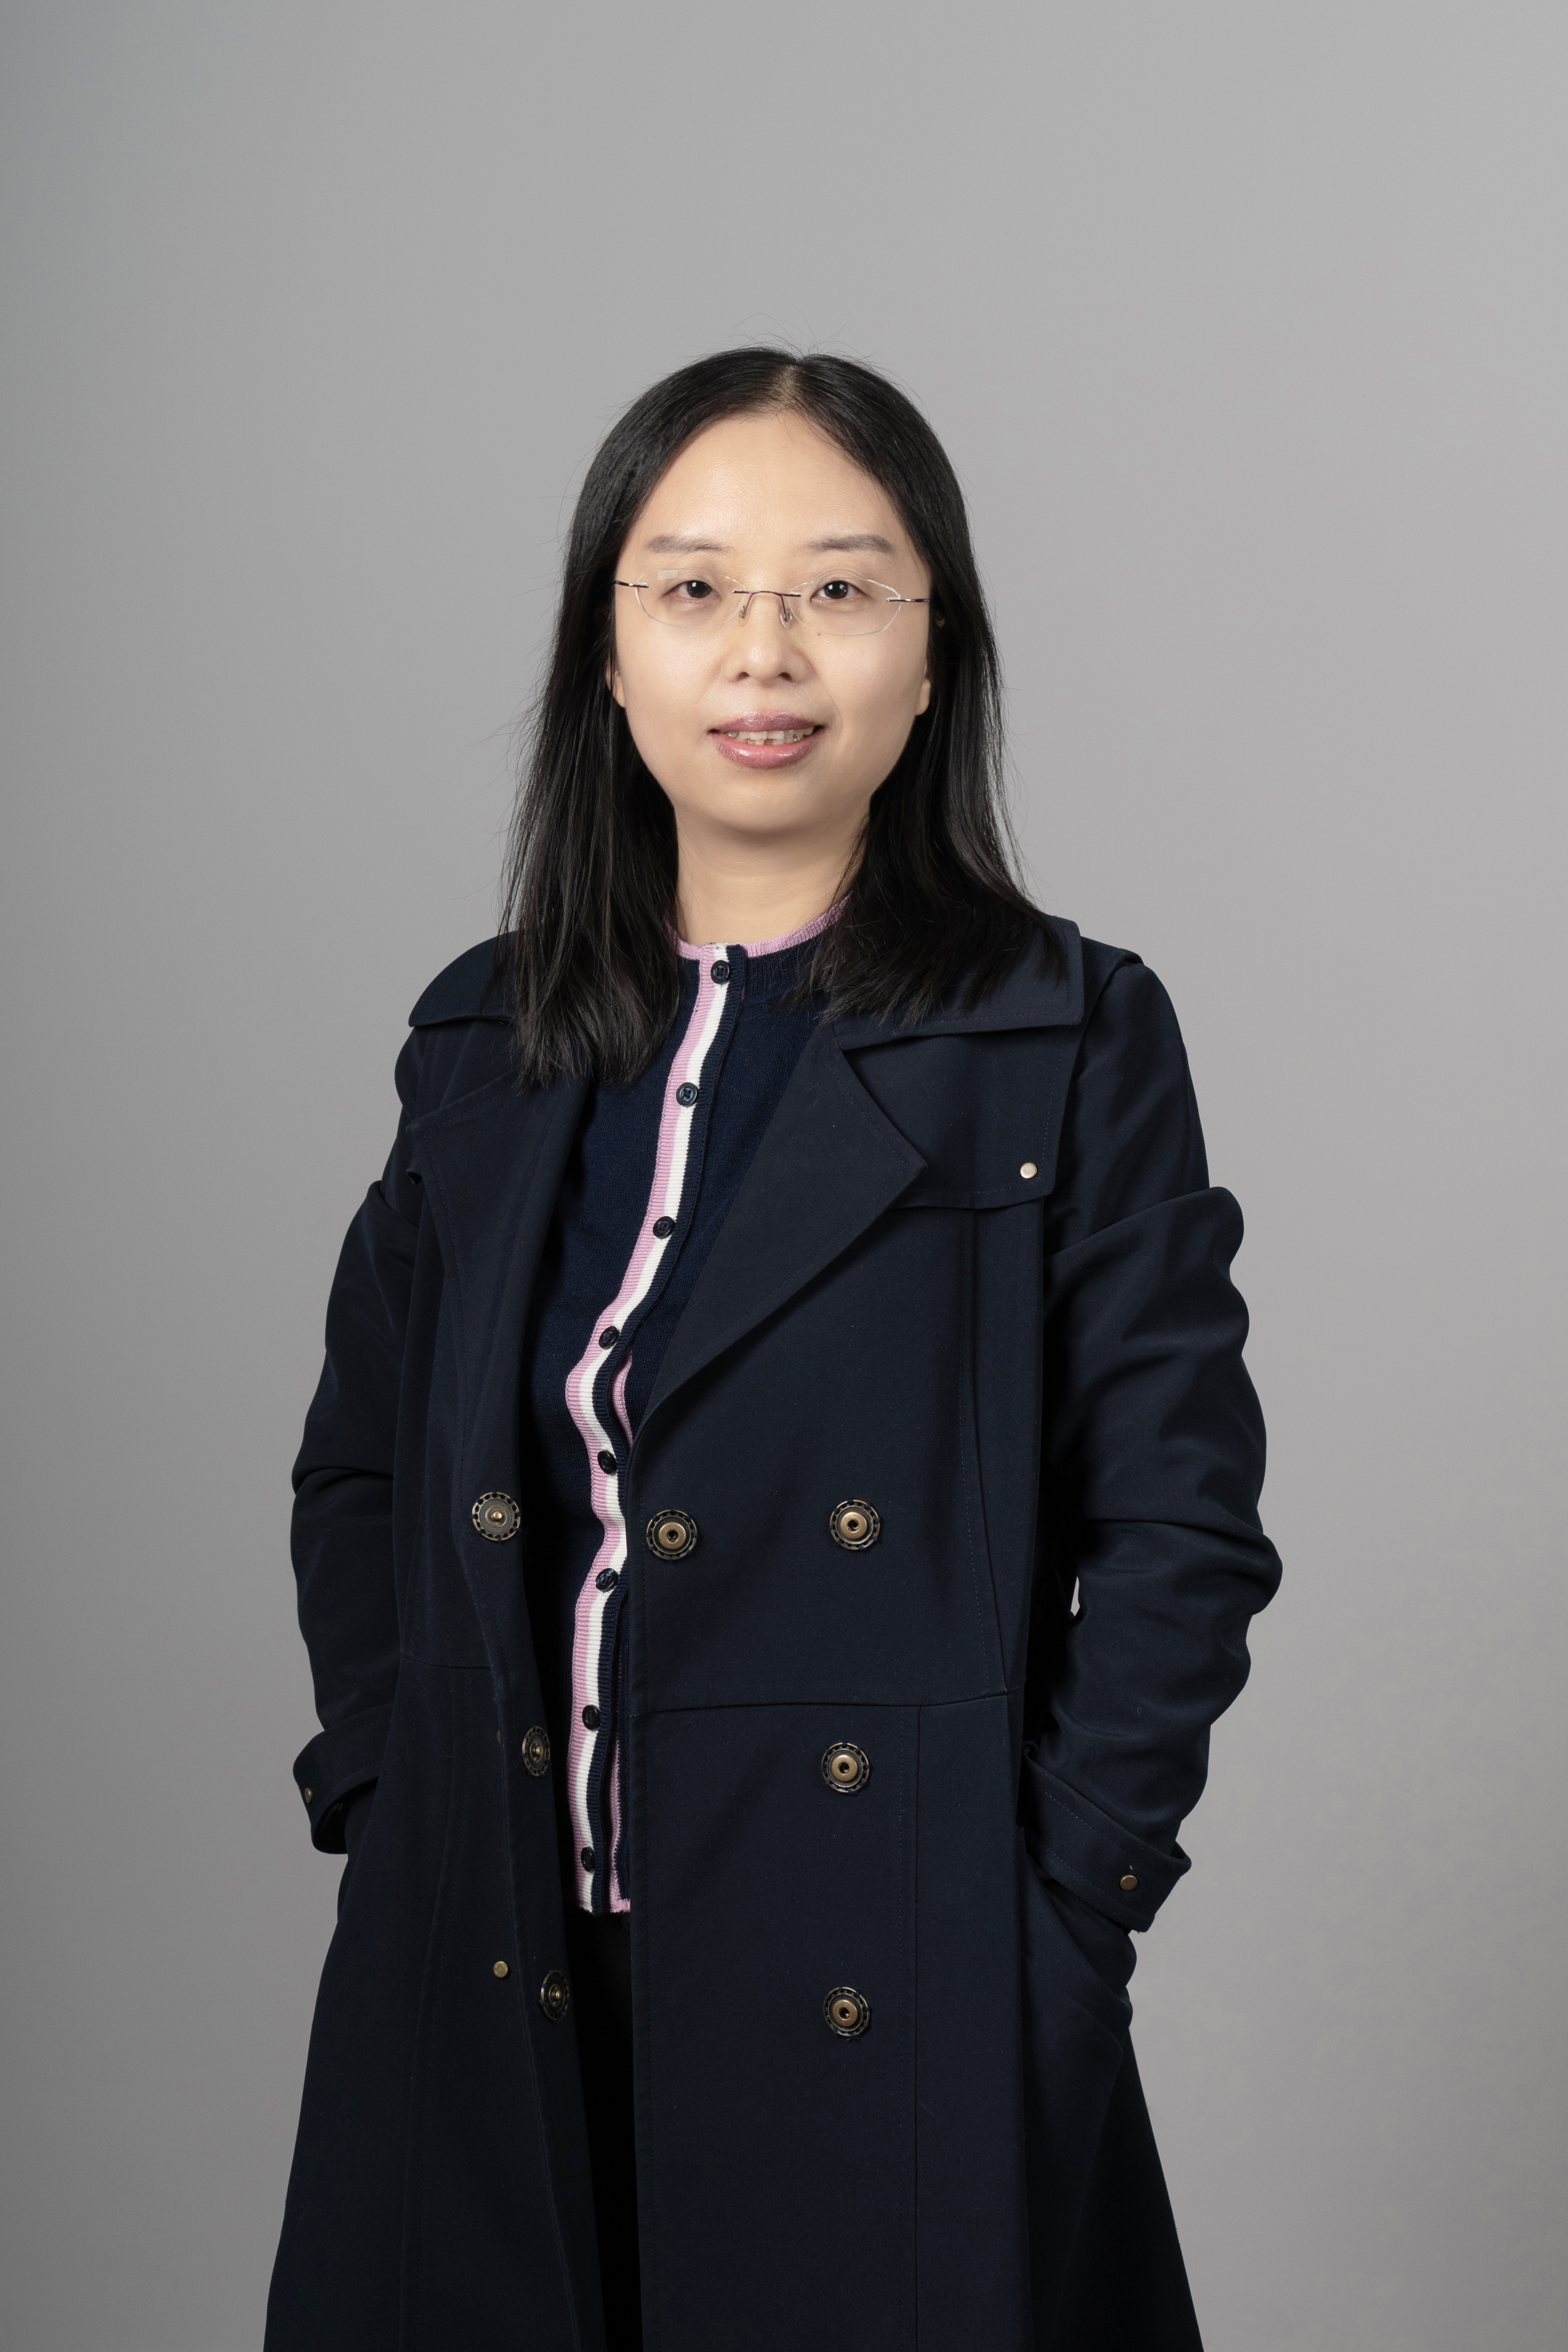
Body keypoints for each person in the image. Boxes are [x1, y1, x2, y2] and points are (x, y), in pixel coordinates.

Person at [264, 348, 1281, 2352]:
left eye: (837, 586)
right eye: (693, 587)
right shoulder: (479, 1041)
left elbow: (1181, 1525)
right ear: (607, 654)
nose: (764, 650)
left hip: (888, 1970)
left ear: (931, 652)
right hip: (487, 1962)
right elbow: (362, 1470)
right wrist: (393, 1799)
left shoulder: (1064, 1035)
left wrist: (1056, 1918)